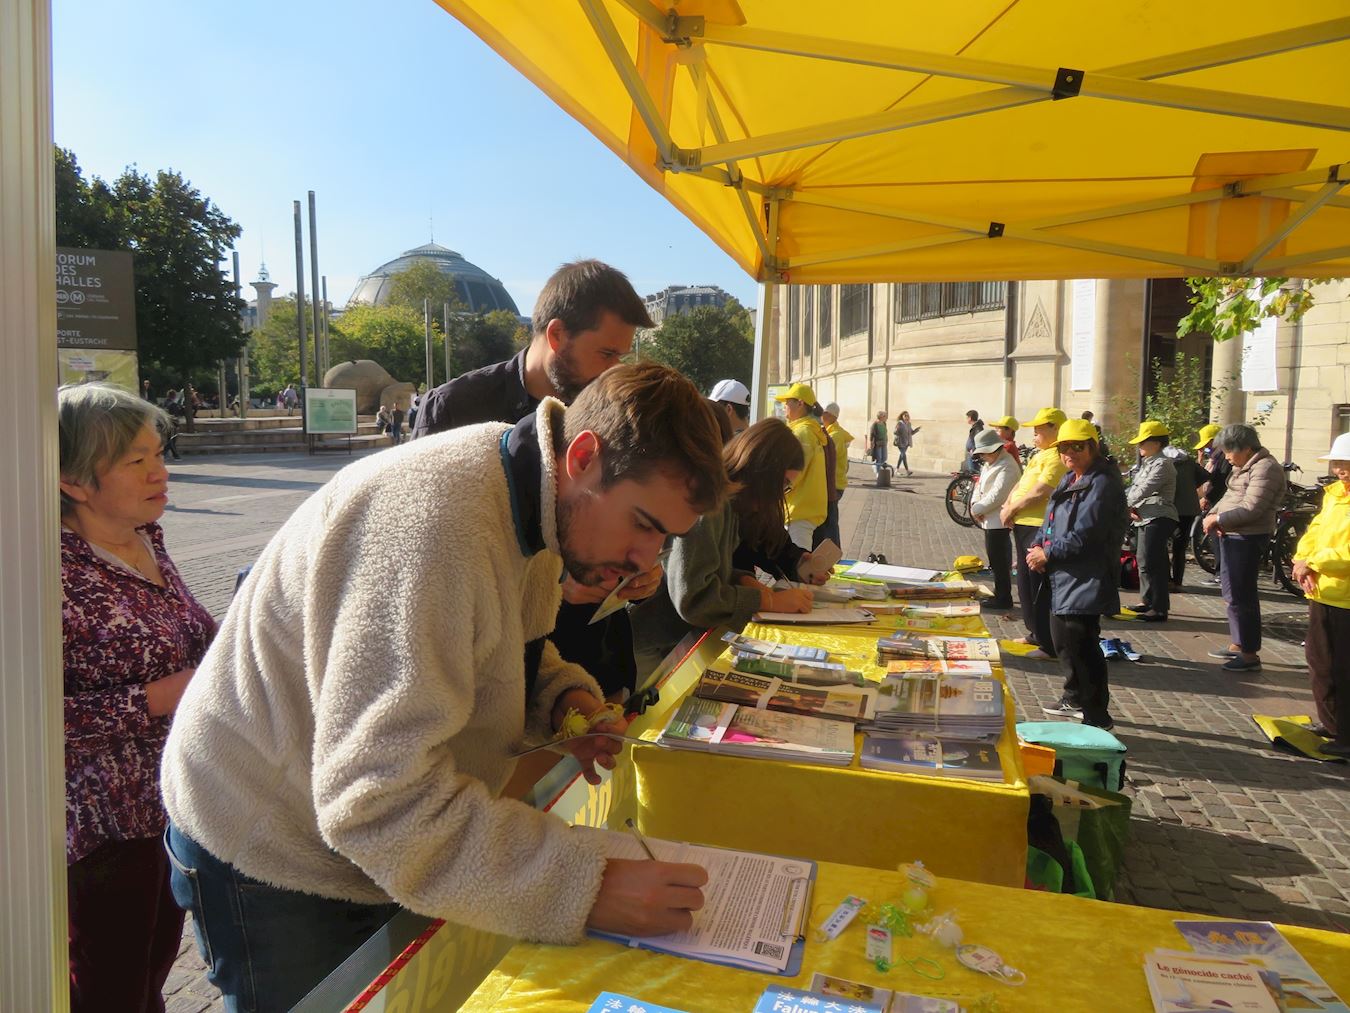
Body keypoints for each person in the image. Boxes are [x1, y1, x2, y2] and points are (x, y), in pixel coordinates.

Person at [161, 363, 725, 1010]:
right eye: (646, 524)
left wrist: (562, 699)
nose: (644, 561)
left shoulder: (536, 497)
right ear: (584, 456)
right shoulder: (434, 524)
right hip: (266, 843)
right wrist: (588, 886)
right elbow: (377, 803)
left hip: (343, 827)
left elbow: (494, 643)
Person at [410, 260, 658, 699]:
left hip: (596, 665)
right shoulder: (454, 410)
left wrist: (634, 575)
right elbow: (425, 570)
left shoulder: (609, 412)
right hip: (499, 681)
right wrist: (558, 588)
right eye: (606, 354)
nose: (613, 371)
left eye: (621, 356)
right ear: (558, 335)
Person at [58, 383, 216, 1012]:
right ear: (73, 481)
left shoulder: (149, 537)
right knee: (109, 989)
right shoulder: (46, 571)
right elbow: (34, 717)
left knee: (148, 974)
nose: (160, 471)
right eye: (134, 460)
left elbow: (187, 640)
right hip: (100, 827)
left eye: (159, 452)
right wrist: (159, 696)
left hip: (170, 803)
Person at [631, 418, 818, 675]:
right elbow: (693, 598)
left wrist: (741, 578)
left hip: (671, 641)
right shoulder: (711, 504)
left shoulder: (728, 504)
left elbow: (706, 567)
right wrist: (768, 601)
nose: (781, 494)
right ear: (764, 471)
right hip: (654, 646)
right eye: (783, 484)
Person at [1027, 418, 1128, 729]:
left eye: (1076, 446)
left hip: (1088, 574)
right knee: (1063, 641)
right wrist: (1037, 546)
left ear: (1092, 447)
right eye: (1063, 447)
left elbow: (1088, 533)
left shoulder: (1103, 483)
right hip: (1063, 574)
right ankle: (1074, 697)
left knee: (1082, 644)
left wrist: (1049, 553)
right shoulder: (1070, 477)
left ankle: (1098, 715)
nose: (1069, 452)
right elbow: (1051, 519)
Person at [1201, 424, 1286, 673]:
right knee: (1231, 593)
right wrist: (1213, 514)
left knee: (1242, 595)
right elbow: (1230, 498)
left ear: (1247, 448)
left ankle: (1249, 653)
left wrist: (1218, 519)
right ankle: (1238, 643)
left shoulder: (1266, 468)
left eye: (1229, 451)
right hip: (1232, 534)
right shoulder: (1243, 468)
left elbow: (1253, 507)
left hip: (1247, 537)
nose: (1227, 456)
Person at [1292, 433, 1350, 759]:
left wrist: (1313, 562)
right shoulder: (1334, 496)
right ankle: (1332, 723)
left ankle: (1346, 734)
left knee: (1344, 668)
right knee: (1320, 662)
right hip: (1323, 591)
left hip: (1346, 598)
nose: (1340, 470)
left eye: (1346, 464)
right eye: (1338, 463)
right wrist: (1303, 560)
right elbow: (1315, 532)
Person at [1000, 407, 1068, 659]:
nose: (1035, 435)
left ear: (1055, 429)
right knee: (1025, 583)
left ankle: (1048, 642)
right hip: (1023, 521)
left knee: (1038, 584)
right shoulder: (1040, 454)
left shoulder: (1056, 456)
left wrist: (1012, 508)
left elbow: (1041, 490)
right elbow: (1022, 483)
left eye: (1039, 430)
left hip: (1037, 524)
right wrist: (1009, 504)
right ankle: (1035, 632)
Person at [1126, 420, 1178, 622]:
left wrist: (1125, 505)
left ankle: (1159, 607)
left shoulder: (1163, 464)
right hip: (1144, 517)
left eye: (1143, 442)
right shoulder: (1148, 463)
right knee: (1143, 561)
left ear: (1156, 443)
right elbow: (1134, 488)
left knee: (1154, 562)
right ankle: (1147, 600)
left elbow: (1144, 489)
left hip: (1159, 516)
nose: (1139, 447)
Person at [969, 427, 1021, 610]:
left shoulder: (1008, 465)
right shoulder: (990, 463)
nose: (982, 457)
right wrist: (975, 505)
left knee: (1000, 560)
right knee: (995, 559)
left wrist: (978, 508)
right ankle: (1000, 592)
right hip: (988, 517)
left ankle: (1003, 596)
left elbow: (998, 494)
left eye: (984, 453)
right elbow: (980, 486)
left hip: (999, 518)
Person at [777, 383, 830, 550]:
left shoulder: (802, 432)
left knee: (798, 567)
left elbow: (794, 472)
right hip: (805, 508)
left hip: (799, 509)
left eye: (788, 401)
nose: (784, 405)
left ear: (800, 403)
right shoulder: (809, 430)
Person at [1163, 435, 1202, 589]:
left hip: (1171, 507)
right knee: (1180, 547)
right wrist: (1191, 487)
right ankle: (1177, 582)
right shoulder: (1189, 461)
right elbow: (1205, 475)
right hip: (1190, 508)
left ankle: (1167, 580)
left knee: (1162, 544)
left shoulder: (1165, 463)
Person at [1195, 423, 1229, 582]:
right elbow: (1203, 477)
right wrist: (1200, 460)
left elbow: (1220, 481)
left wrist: (1207, 498)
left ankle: (1221, 574)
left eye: (1208, 444)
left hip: (1220, 503)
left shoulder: (1223, 457)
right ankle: (1220, 573)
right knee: (1216, 539)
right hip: (1215, 502)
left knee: (1218, 538)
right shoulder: (1215, 458)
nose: (1207, 448)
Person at [809, 401, 840, 549]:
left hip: (824, 494)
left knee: (825, 541)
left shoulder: (817, 436)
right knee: (829, 537)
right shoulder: (824, 434)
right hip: (828, 493)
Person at [822, 401, 855, 504]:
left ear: (831, 416)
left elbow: (826, 458)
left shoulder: (835, 435)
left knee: (830, 517)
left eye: (824, 413)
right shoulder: (831, 431)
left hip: (834, 484)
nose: (821, 416)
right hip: (834, 482)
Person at [892, 410, 919, 475]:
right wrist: (898, 430)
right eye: (905, 416)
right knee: (903, 455)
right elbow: (895, 432)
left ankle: (898, 470)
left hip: (906, 443)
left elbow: (911, 433)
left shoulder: (909, 424)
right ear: (902, 417)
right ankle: (906, 470)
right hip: (900, 442)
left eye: (908, 415)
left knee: (902, 456)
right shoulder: (900, 423)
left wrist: (916, 430)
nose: (907, 417)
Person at [866, 409, 889, 475]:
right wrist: (871, 444)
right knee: (879, 457)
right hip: (878, 443)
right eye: (885, 416)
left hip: (884, 442)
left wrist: (886, 439)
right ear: (881, 417)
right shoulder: (875, 425)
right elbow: (872, 435)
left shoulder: (884, 423)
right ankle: (878, 472)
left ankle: (875, 466)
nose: (886, 417)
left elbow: (885, 432)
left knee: (884, 457)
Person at [963, 409, 985, 474]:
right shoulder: (975, 427)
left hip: (974, 453)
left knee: (973, 471)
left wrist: (973, 450)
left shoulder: (977, 427)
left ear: (970, 418)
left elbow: (978, 440)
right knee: (972, 470)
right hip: (972, 452)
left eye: (967, 417)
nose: (966, 419)